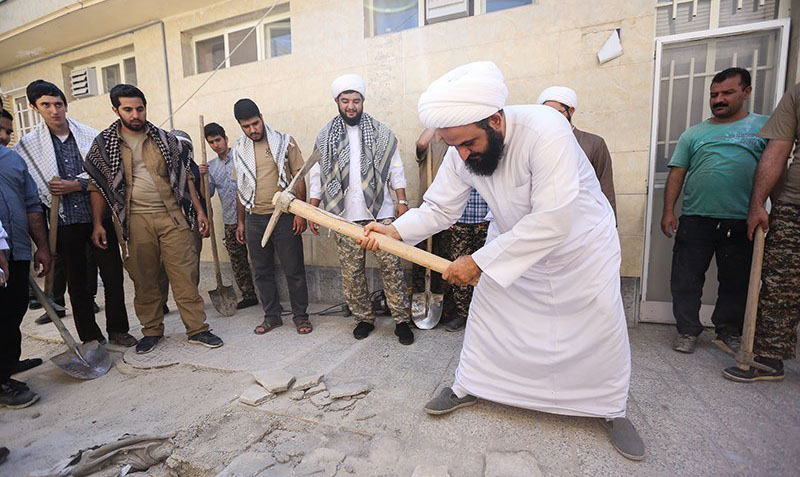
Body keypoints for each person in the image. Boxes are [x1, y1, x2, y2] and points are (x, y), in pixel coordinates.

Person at [359, 61, 643, 460]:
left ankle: (610, 409)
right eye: (452, 145)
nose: (460, 154)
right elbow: (440, 207)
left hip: (579, 247)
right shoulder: (462, 151)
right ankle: (469, 386)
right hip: (511, 243)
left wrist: (478, 262)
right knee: (491, 319)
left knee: (598, 328)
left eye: (467, 143)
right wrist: (396, 230)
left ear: (495, 120)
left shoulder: (546, 129)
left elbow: (552, 219)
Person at [84, 84, 222, 354]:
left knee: (184, 274)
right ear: (116, 110)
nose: (135, 114)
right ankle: (152, 330)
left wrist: (200, 210)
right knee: (145, 279)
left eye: (140, 108)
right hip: (134, 221)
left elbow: (185, 178)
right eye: (128, 109)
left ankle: (197, 329)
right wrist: (98, 224)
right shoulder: (105, 145)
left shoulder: (165, 139)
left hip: (172, 217)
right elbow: (96, 186)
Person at [15, 80, 135, 346]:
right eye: (46, 105)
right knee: (77, 283)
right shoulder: (28, 146)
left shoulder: (90, 135)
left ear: (66, 105)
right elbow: (30, 188)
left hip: (99, 217)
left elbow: (105, 172)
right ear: (35, 107)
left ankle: (118, 330)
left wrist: (77, 183)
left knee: (113, 276)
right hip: (64, 222)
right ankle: (91, 337)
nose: (54, 110)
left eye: (58, 104)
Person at [660, 68, 768, 354]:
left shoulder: (764, 128)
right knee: (686, 279)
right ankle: (686, 331)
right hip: (696, 219)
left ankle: (728, 331)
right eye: (714, 95)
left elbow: (775, 170)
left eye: (727, 93)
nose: (719, 99)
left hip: (740, 220)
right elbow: (676, 174)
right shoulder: (694, 134)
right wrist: (668, 211)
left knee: (735, 280)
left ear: (746, 92)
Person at [308, 74, 413, 345]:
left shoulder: (381, 132)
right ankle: (364, 319)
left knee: (392, 267)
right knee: (352, 272)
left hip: (382, 214)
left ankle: (402, 320)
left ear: (363, 101)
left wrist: (401, 201)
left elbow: (396, 168)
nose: (351, 106)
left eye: (356, 100)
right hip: (344, 216)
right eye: (345, 101)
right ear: (337, 102)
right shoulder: (325, 135)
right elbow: (317, 175)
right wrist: (313, 209)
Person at [723, 81, 800, 382]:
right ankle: (769, 359)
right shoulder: (797, 93)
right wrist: (758, 203)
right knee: (780, 284)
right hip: (795, 205)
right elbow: (777, 150)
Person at [231, 99, 311, 334]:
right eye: (246, 126)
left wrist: (300, 212)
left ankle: (301, 316)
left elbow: (299, 177)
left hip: (285, 216)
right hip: (255, 217)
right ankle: (272, 316)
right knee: (262, 271)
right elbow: (240, 187)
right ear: (240, 125)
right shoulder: (239, 149)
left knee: (294, 269)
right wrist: (241, 222)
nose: (252, 130)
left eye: (255, 124)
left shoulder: (284, 142)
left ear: (262, 117)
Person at [414, 128, 489, 332]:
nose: (465, 150)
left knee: (486, 270)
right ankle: (463, 314)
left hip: (487, 220)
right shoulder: (453, 155)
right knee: (460, 268)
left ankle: (484, 315)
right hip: (461, 219)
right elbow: (421, 144)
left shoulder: (494, 149)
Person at [0, 129, 51, 408]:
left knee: (13, 312)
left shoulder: (13, 160)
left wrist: (41, 246)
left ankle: (6, 368)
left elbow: (32, 205)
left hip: (17, 251)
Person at [198, 122, 258, 309]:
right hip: (230, 219)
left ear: (225, 138)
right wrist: (202, 176)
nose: (216, 145)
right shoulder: (211, 166)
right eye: (211, 142)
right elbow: (207, 194)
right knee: (238, 260)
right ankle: (248, 295)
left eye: (218, 140)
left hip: (251, 214)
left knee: (259, 256)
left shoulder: (240, 157)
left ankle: (267, 293)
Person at [537, 86, 617, 216]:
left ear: (571, 111)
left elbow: (605, 185)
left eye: (557, 112)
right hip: (551, 217)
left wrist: (611, 222)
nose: (551, 117)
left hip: (587, 216)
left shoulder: (594, 143)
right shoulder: (540, 145)